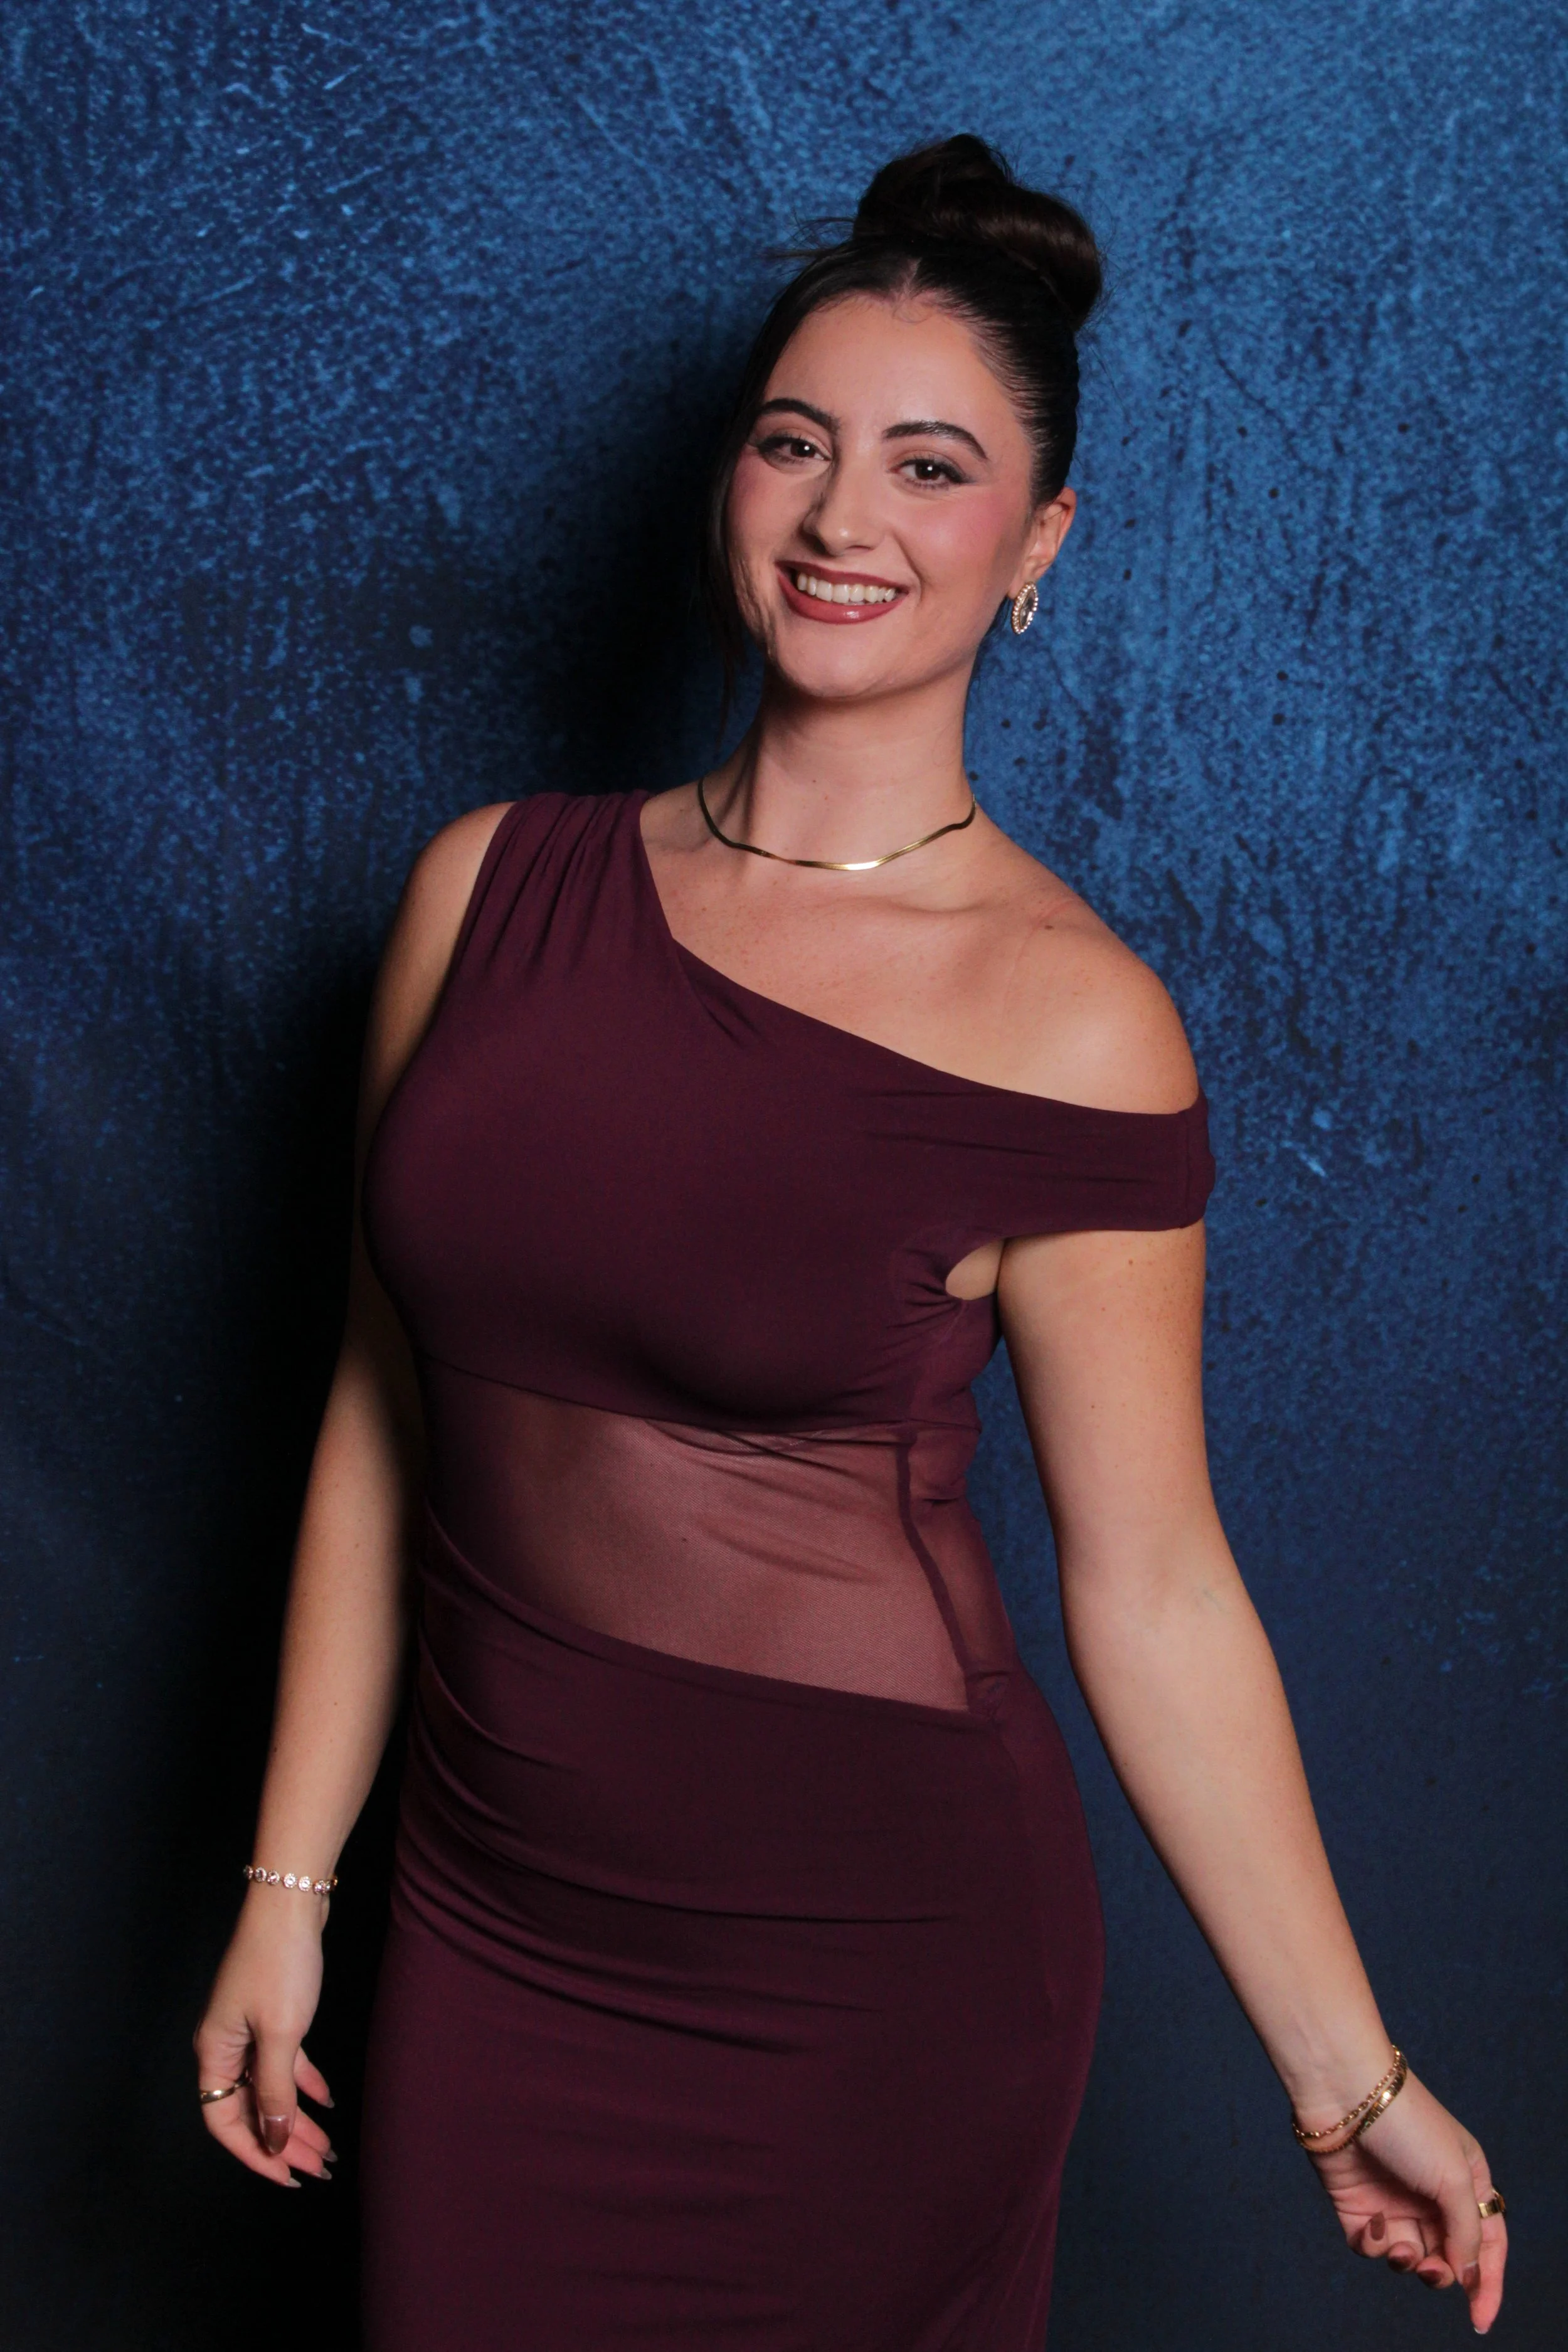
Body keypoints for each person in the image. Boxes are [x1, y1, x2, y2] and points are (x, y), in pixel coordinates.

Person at [194, 135, 1507, 2346]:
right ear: (729, 480)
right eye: (796, 444)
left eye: (930, 465)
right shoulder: (483, 887)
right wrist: (284, 1893)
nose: (841, 518)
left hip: (871, 1982)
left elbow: (1156, 1582)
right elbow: (378, 1411)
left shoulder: (1071, 1019)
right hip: (496, 1930)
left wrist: (1339, 2076)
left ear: (1035, 547)